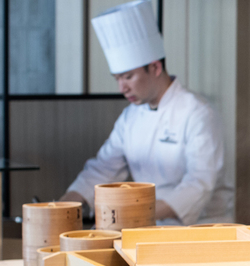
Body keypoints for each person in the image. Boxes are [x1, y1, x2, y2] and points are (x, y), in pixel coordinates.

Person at [59, 0, 233, 226]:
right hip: (150, 225)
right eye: (117, 79)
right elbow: (103, 168)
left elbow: (198, 185)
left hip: (202, 228)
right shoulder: (130, 117)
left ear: (155, 68)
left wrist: (132, 214)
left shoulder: (197, 112)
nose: (122, 88)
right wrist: (64, 206)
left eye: (128, 77)